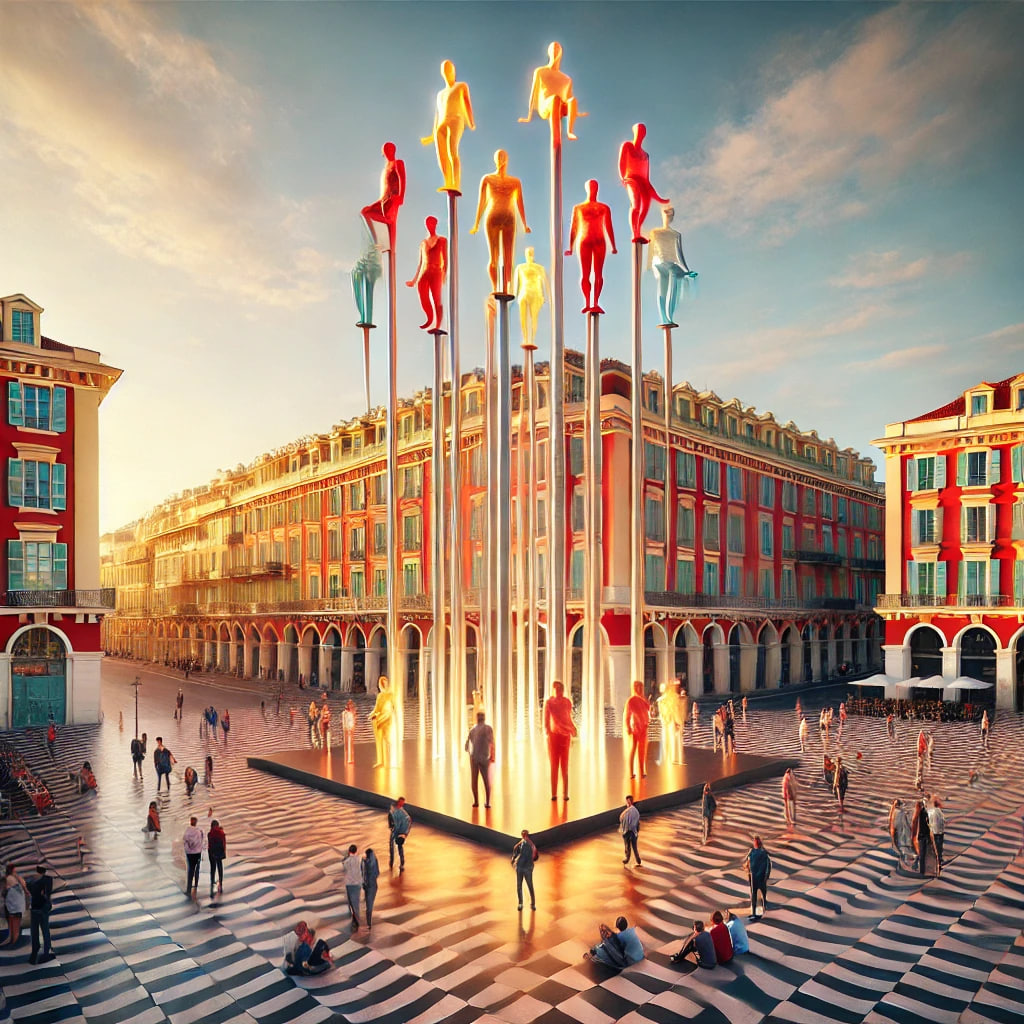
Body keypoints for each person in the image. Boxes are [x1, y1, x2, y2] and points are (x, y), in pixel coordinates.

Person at [469, 149, 531, 293]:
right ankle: (496, 287)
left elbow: (520, 203)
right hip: (494, 216)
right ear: (495, 160)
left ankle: (506, 287)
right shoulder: (488, 179)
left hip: (507, 216)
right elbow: (482, 202)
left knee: (508, 256)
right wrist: (476, 223)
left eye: (503, 156)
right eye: (499, 157)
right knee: (495, 256)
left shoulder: (514, 182)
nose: (501, 159)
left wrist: (525, 223)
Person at [421, 59, 475, 193]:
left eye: (449, 69)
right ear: (442, 73)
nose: (447, 72)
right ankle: (447, 181)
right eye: (444, 70)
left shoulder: (461, 86)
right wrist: (431, 135)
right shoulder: (440, 94)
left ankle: (455, 183)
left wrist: (470, 121)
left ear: (454, 71)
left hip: (455, 120)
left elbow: (467, 103)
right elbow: (437, 115)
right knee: (441, 155)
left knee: (452, 151)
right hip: (442, 123)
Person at [564, 178, 617, 314]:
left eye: (595, 187)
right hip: (584, 241)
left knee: (598, 274)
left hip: (599, 241)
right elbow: (574, 228)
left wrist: (613, 245)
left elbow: (609, 226)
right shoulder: (579, 208)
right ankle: (587, 302)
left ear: (597, 189)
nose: (593, 189)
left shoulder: (604, 208)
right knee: (585, 274)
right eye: (591, 186)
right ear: (587, 189)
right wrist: (570, 246)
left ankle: (595, 302)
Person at [519, 41, 586, 145]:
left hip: (561, 107)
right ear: (549, 52)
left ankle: (569, 132)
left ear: (561, 53)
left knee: (572, 100)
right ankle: (556, 136)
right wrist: (529, 116)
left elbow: (569, 99)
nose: (555, 51)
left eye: (557, 48)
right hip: (545, 106)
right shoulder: (540, 71)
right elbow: (533, 94)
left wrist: (577, 113)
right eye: (553, 49)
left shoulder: (566, 79)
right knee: (555, 98)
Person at [618, 122, 669, 243]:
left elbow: (646, 177)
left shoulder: (645, 155)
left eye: (642, 131)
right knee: (636, 205)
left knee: (646, 204)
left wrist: (658, 197)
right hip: (631, 179)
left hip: (643, 182)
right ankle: (635, 233)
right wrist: (623, 178)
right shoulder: (627, 146)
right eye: (638, 130)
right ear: (634, 132)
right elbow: (621, 163)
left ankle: (638, 230)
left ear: (644, 134)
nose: (640, 133)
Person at [647, 205, 696, 326]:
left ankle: (668, 317)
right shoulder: (655, 233)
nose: (668, 215)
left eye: (670, 213)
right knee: (665, 289)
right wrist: (649, 266)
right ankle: (665, 318)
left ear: (672, 217)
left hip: (670, 265)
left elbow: (679, 254)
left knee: (670, 289)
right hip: (660, 265)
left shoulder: (676, 235)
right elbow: (651, 250)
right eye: (666, 212)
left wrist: (687, 270)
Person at [360, 142, 406, 252]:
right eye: (385, 150)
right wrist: (380, 201)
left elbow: (402, 179)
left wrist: (401, 197)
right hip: (382, 199)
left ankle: (390, 245)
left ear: (393, 150)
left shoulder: (397, 163)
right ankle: (379, 241)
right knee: (365, 212)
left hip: (393, 197)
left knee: (391, 222)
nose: (387, 152)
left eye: (389, 149)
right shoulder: (385, 169)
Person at [406, 216, 448, 331]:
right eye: (427, 224)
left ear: (435, 224)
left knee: (437, 299)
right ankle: (429, 318)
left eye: (431, 223)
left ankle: (437, 325)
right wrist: (414, 280)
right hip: (425, 272)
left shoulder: (442, 240)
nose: (429, 226)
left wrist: (444, 274)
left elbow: (445, 260)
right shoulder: (423, 243)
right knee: (423, 296)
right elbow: (420, 263)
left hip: (436, 272)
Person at [544, 680, 577, 801]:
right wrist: (548, 732)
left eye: (560, 689)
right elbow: (547, 721)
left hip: (564, 737)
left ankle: (565, 793)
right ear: (553, 690)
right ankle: (554, 793)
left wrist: (572, 728)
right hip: (554, 737)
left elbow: (568, 717)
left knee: (564, 765)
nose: (558, 691)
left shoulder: (567, 702)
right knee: (554, 765)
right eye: (556, 689)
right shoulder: (549, 703)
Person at [513, 247, 548, 348]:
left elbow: (545, 284)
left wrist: (545, 297)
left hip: (536, 293)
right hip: (524, 293)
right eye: (528, 253)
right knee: (523, 317)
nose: (529, 255)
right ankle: (525, 338)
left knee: (534, 317)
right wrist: (513, 296)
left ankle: (531, 339)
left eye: (531, 253)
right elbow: (516, 283)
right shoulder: (520, 267)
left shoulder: (539, 268)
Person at [465, 711, 495, 808]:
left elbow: (466, 746)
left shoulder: (473, 729)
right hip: (482, 758)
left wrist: (470, 752)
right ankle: (485, 802)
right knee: (484, 780)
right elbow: (492, 743)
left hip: (476, 757)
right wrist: (492, 756)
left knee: (477, 780)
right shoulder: (486, 729)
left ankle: (479, 801)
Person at [26, 864, 54, 964]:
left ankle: (34, 952)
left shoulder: (30, 881)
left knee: (34, 931)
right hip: (43, 908)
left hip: (34, 907)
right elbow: (48, 893)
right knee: (45, 930)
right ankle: (46, 952)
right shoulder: (48, 879)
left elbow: (30, 890)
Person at [624, 680, 650, 779]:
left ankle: (642, 770)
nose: (640, 689)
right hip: (635, 728)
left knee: (642, 750)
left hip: (643, 727)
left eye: (641, 687)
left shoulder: (642, 700)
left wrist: (645, 699)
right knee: (633, 749)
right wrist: (628, 727)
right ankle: (631, 772)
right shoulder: (630, 700)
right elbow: (627, 715)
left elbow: (648, 709)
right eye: (638, 687)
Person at [369, 676, 395, 767]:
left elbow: (393, 707)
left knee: (388, 739)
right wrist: (371, 715)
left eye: (386, 682)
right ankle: (380, 761)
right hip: (379, 719)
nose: (384, 685)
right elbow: (377, 708)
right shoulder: (380, 696)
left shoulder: (391, 695)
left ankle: (392, 758)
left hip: (387, 719)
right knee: (379, 740)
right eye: (383, 683)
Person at [744, 836, 772, 919]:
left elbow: (768, 865)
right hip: (757, 877)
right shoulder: (756, 852)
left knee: (758, 895)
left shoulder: (758, 852)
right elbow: (747, 863)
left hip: (758, 877)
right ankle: (758, 911)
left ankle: (759, 912)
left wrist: (766, 876)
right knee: (758, 895)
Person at [511, 829, 538, 911]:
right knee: (519, 885)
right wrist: (514, 860)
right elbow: (515, 850)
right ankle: (520, 903)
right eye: (523, 834)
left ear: (527, 835)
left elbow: (535, 855)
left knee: (530, 885)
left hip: (527, 868)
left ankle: (533, 903)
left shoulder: (531, 844)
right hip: (520, 867)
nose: (524, 836)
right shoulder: (520, 844)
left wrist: (530, 867)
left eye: (525, 834)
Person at [3, 864, 28, 946]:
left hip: (13, 906)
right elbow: (22, 886)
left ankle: (13, 941)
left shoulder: (11, 878)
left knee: (13, 924)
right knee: (15, 924)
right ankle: (13, 942)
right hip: (14, 906)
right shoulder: (11, 879)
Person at [341, 845, 362, 930]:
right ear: (356, 851)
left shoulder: (346, 861)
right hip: (357, 884)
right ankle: (357, 920)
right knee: (356, 902)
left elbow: (344, 867)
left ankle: (354, 920)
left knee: (350, 903)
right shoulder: (359, 860)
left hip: (349, 884)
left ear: (349, 851)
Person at [912, 798, 934, 876]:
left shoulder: (923, 812)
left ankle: (923, 869)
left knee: (923, 854)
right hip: (922, 835)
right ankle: (922, 871)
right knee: (922, 854)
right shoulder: (922, 812)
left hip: (923, 835)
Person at [183, 817, 204, 898]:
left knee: (190, 870)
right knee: (197, 869)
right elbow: (201, 841)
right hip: (198, 852)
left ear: (190, 822)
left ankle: (189, 890)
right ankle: (196, 885)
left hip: (190, 853)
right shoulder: (199, 831)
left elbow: (185, 840)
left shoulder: (187, 831)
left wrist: (188, 848)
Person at [389, 796, 411, 871]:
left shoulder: (402, 812)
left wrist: (404, 833)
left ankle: (401, 864)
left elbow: (409, 820)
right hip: (395, 831)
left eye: (403, 803)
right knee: (392, 847)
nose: (402, 804)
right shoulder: (394, 810)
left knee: (399, 848)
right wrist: (391, 826)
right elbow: (390, 818)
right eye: (401, 802)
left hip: (399, 833)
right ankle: (392, 863)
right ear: (399, 802)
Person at [619, 795, 641, 866]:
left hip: (631, 831)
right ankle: (631, 859)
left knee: (631, 846)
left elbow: (637, 822)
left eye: (628, 801)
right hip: (628, 831)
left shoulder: (632, 811)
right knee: (629, 846)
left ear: (630, 801)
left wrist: (635, 830)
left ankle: (635, 859)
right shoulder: (630, 811)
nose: (627, 803)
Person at [361, 848, 380, 930]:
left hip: (368, 886)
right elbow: (377, 873)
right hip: (374, 886)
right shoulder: (375, 861)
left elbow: (363, 873)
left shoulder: (366, 863)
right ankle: (369, 923)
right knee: (369, 904)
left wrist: (363, 860)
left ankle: (369, 924)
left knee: (369, 906)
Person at [207, 819, 226, 896]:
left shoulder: (209, 834)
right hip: (220, 852)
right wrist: (224, 852)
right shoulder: (221, 833)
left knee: (212, 867)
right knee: (220, 866)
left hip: (212, 853)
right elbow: (224, 843)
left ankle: (212, 880)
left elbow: (209, 843)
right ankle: (220, 881)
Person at [928, 797, 946, 871]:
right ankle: (939, 861)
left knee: (935, 847)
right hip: (939, 832)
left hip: (933, 832)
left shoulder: (930, 812)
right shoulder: (939, 811)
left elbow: (928, 822)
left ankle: (937, 861)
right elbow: (943, 821)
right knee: (939, 847)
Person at [342, 700, 357, 764]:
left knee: (350, 744)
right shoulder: (345, 713)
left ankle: (350, 758)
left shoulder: (351, 713)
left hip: (350, 729)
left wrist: (351, 727)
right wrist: (346, 727)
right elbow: (344, 721)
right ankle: (348, 758)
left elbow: (352, 721)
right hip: (347, 729)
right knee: (347, 743)